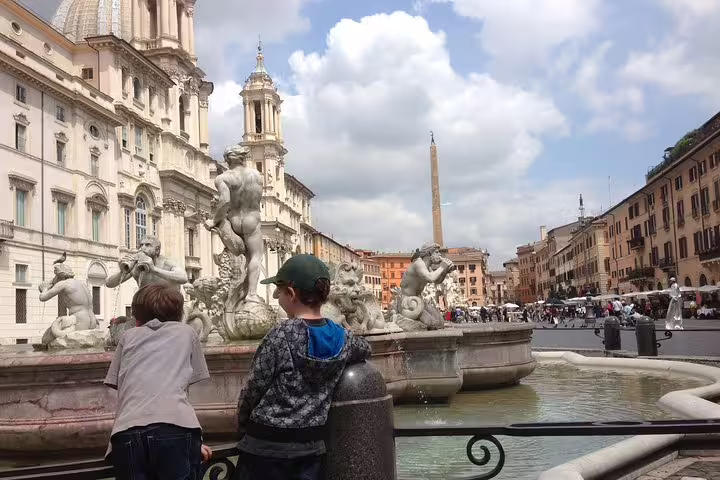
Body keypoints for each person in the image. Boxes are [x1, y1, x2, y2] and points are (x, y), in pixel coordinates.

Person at [233, 254, 372, 480]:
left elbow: (255, 387)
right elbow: (364, 348)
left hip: (265, 446)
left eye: (279, 291)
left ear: (291, 293)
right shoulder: (343, 337)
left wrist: (241, 423)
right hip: (310, 446)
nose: (277, 296)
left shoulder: (282, 334)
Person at [104, 283, 212, 480]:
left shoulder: (127, 337)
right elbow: (188, 382)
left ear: (136, 317)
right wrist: (191, 443)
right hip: (176, 428)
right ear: (180, 314)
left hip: (127, 432)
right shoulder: (187, 333)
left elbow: (118, 384)